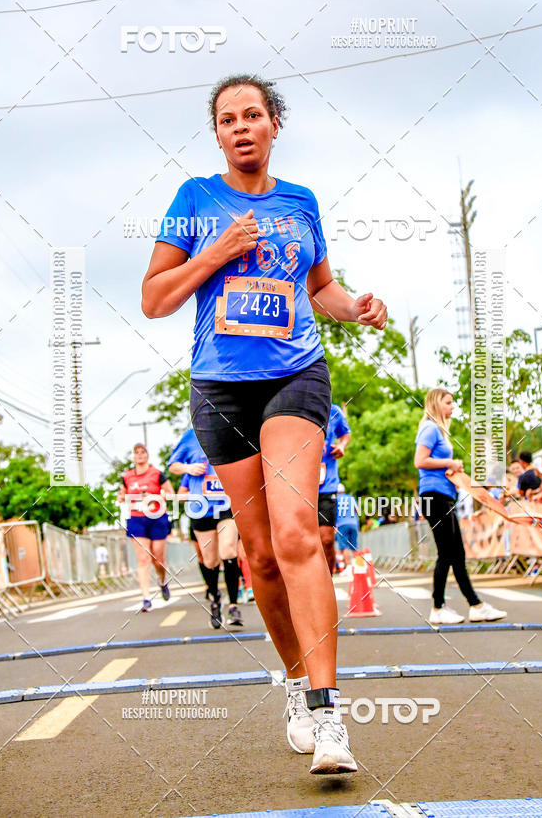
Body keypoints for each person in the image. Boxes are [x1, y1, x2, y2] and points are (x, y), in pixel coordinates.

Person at [142, 74, 388, 774]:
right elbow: (154, 299)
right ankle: (294, 680)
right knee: (259, 555)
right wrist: (214, 254)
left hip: (294, 376)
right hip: (220, 387)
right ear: (217, 134)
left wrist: (357, 306)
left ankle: (327, 708)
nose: (241, 127)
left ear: (275, 124)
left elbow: (320, 288)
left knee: (296, 533)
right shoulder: (195, 199)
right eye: (227, 119)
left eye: (253, 114)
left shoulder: (300, 200)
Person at [414, 388, 507, 625]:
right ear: (436, 404)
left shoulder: (440, 431)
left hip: (444, 496)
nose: (452, 407)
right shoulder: (430, 428)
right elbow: (419, 461)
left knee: (456, 553)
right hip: (434, 497)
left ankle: (474, 605)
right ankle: (439, 607)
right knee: (447, 553)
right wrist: (450, 462)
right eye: (448, 402)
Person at [168, 428, 243, 628]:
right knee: (210, 560)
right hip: (200, 507)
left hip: (226, 503)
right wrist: (188, 468)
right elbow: (172, 465)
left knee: (228, 550)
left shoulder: (231, 428)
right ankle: (215, 598)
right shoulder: (190, 436)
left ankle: (234, 605)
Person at [119, 443, 174, 612]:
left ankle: (162, 581)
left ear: (147, 456)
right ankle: (145, 598)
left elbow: (170, 493)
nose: (140, 455)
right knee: (143, 560)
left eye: (143, 452)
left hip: (157, 517)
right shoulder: (127, 476)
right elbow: (122, 494)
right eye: (137, 453)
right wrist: (122, 497)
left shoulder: (157, 474)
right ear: (133, 457)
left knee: (158, 558)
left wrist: (155, 496)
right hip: (137, 519)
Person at [318, 403, 351, 573]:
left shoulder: (334, 411)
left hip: (327, 485)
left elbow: (345, 433)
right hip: (298, 486)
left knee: (326, 539)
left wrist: (342, 446)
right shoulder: (296, 405)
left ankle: (327, 580)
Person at [335, 483, 359, 568]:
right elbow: (357, 511)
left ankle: (348, 566)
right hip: (354, 523)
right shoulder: (351, 498)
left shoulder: (335, 500)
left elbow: (333, 514)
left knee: (344, 546)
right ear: (344, 491)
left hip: (341, 525)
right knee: (354, 546)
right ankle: (358, 566)